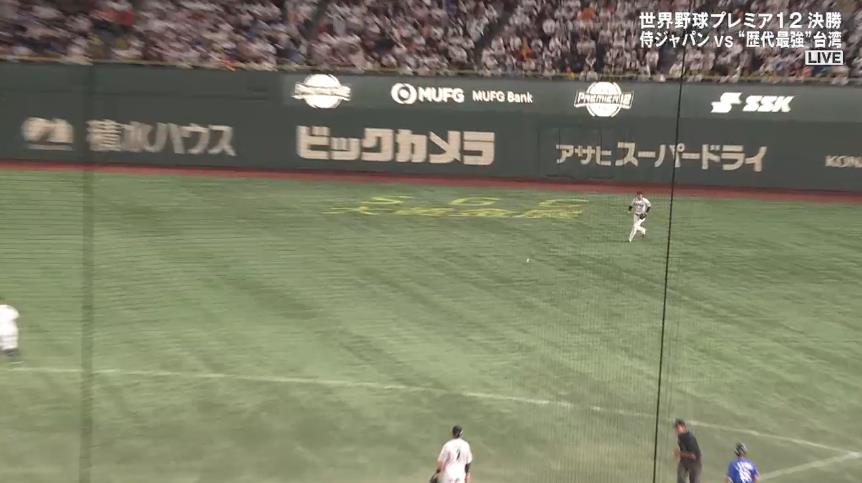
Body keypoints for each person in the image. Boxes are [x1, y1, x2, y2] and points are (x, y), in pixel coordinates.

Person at [674, 419, 702, 483]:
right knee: (680, 478)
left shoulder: (689, 438)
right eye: (675, 428)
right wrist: (680, 453)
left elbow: (693, 455)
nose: (676, 430)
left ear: (684, 427)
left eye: (678, 428)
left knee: (694, 481)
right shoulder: (680, 436)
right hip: (685, 461)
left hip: (695, 463)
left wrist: (680, 453)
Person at [0, 299, 21, 364]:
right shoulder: (9, 308)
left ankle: (13, 359)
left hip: (2, 330)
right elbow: (16, 316)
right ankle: (15, 360)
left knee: (7, 348)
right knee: (11, 347)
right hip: (12, 330)